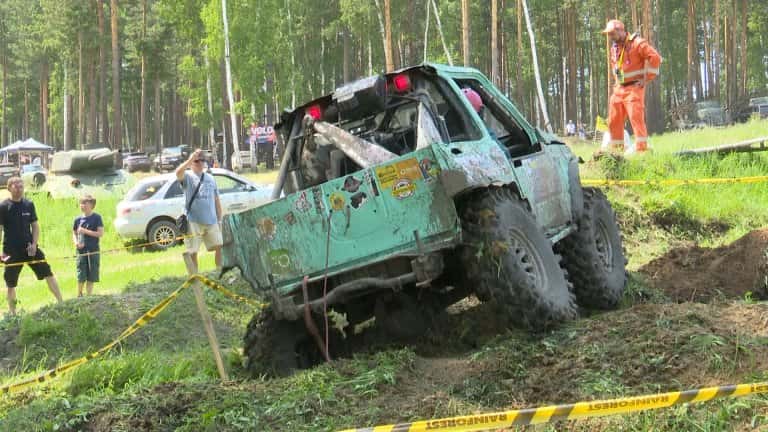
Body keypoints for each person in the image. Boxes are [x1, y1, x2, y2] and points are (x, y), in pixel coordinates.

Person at [0, 177, 62, 315]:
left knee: (48, 273)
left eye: (21, 186)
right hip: (11, 250)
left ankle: (61, 303)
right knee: (10, 283)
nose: (19, 188)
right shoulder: (3, 207)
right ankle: (12, 314)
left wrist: (34, 244)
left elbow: (35, 226)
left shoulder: (28, 204)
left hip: (30, 249)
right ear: (9, 188)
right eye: (16, 186)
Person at [602, 19, 662, 154]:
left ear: (620, 30)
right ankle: (617, 152)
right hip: (619, 89)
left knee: (636, 118)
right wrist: (617, 82)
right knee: (613, 120)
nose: (610, 37)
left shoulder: (637, 43)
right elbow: (615, 67)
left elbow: (656, 58)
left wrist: (647, 78)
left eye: (612, 34)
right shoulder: (614, 48)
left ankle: (642, 150)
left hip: (634, 88)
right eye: (608, 35)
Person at [175, 149, 223, 274]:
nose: (200, 163)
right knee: (193, 252)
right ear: (191, 163)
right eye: (197, 161)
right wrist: (190, 159)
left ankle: (219, 272)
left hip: (211, 220)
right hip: (193, 221)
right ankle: (195, 277)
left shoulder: (211, 178)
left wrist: (220, 219)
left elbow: (216, 199)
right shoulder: (188, 176)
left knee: (219, 246)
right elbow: (178, 172)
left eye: (202, 160)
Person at [72, 194, 104, 297]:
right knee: (81, 272)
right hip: (81, 251)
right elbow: (74, 233)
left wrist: (85, 231)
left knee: (92, 273)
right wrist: (76, 242)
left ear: (91, 205)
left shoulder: (97, 218)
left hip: (93, 250)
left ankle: (89, 295)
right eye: (81, 203)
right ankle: (79, 294)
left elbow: (100, 233)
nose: (82, 205)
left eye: (85, 203)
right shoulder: (77, 220)